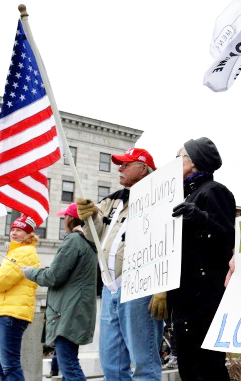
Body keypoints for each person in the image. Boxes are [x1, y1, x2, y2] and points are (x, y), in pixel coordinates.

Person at [76, 147, 163, 381]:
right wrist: (89, 216)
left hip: (140, 286)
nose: (120, 168)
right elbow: (94, 234)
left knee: (145, 362)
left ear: (143, 168)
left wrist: (162, 287)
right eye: (119, 164)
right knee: (111, 363)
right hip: (110, 286)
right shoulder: (113, 199)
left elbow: (168, 241)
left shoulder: (163, 194)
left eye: (126, 164)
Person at [153, 138, 235, 381]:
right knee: (189, 367)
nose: (175, 163)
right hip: (186, 296)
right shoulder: (184, 196)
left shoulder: (214, 191)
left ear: (195, 162)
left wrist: (200, 218)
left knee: (208, 368)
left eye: (180, 157)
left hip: (204, 298)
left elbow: (227, 237)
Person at [22, 202, 97, 381]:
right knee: (68, 365)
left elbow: (53, 277)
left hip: (67, 312)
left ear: (70, 219)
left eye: (65, 217)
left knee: (69, 365)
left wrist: (29, 271)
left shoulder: (73, 240)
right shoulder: (87, 242)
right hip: (75, 310)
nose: (63, 220)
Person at [0, 214, 41, 381]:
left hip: (11, 313)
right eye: (12, 230)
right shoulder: (17, 252)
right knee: (2, 366)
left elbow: (0, 283)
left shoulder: (24, 253)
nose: (14, 233)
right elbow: (3, 279)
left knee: (9, 366)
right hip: (5, 311)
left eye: (19, 230)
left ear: (29, 235)